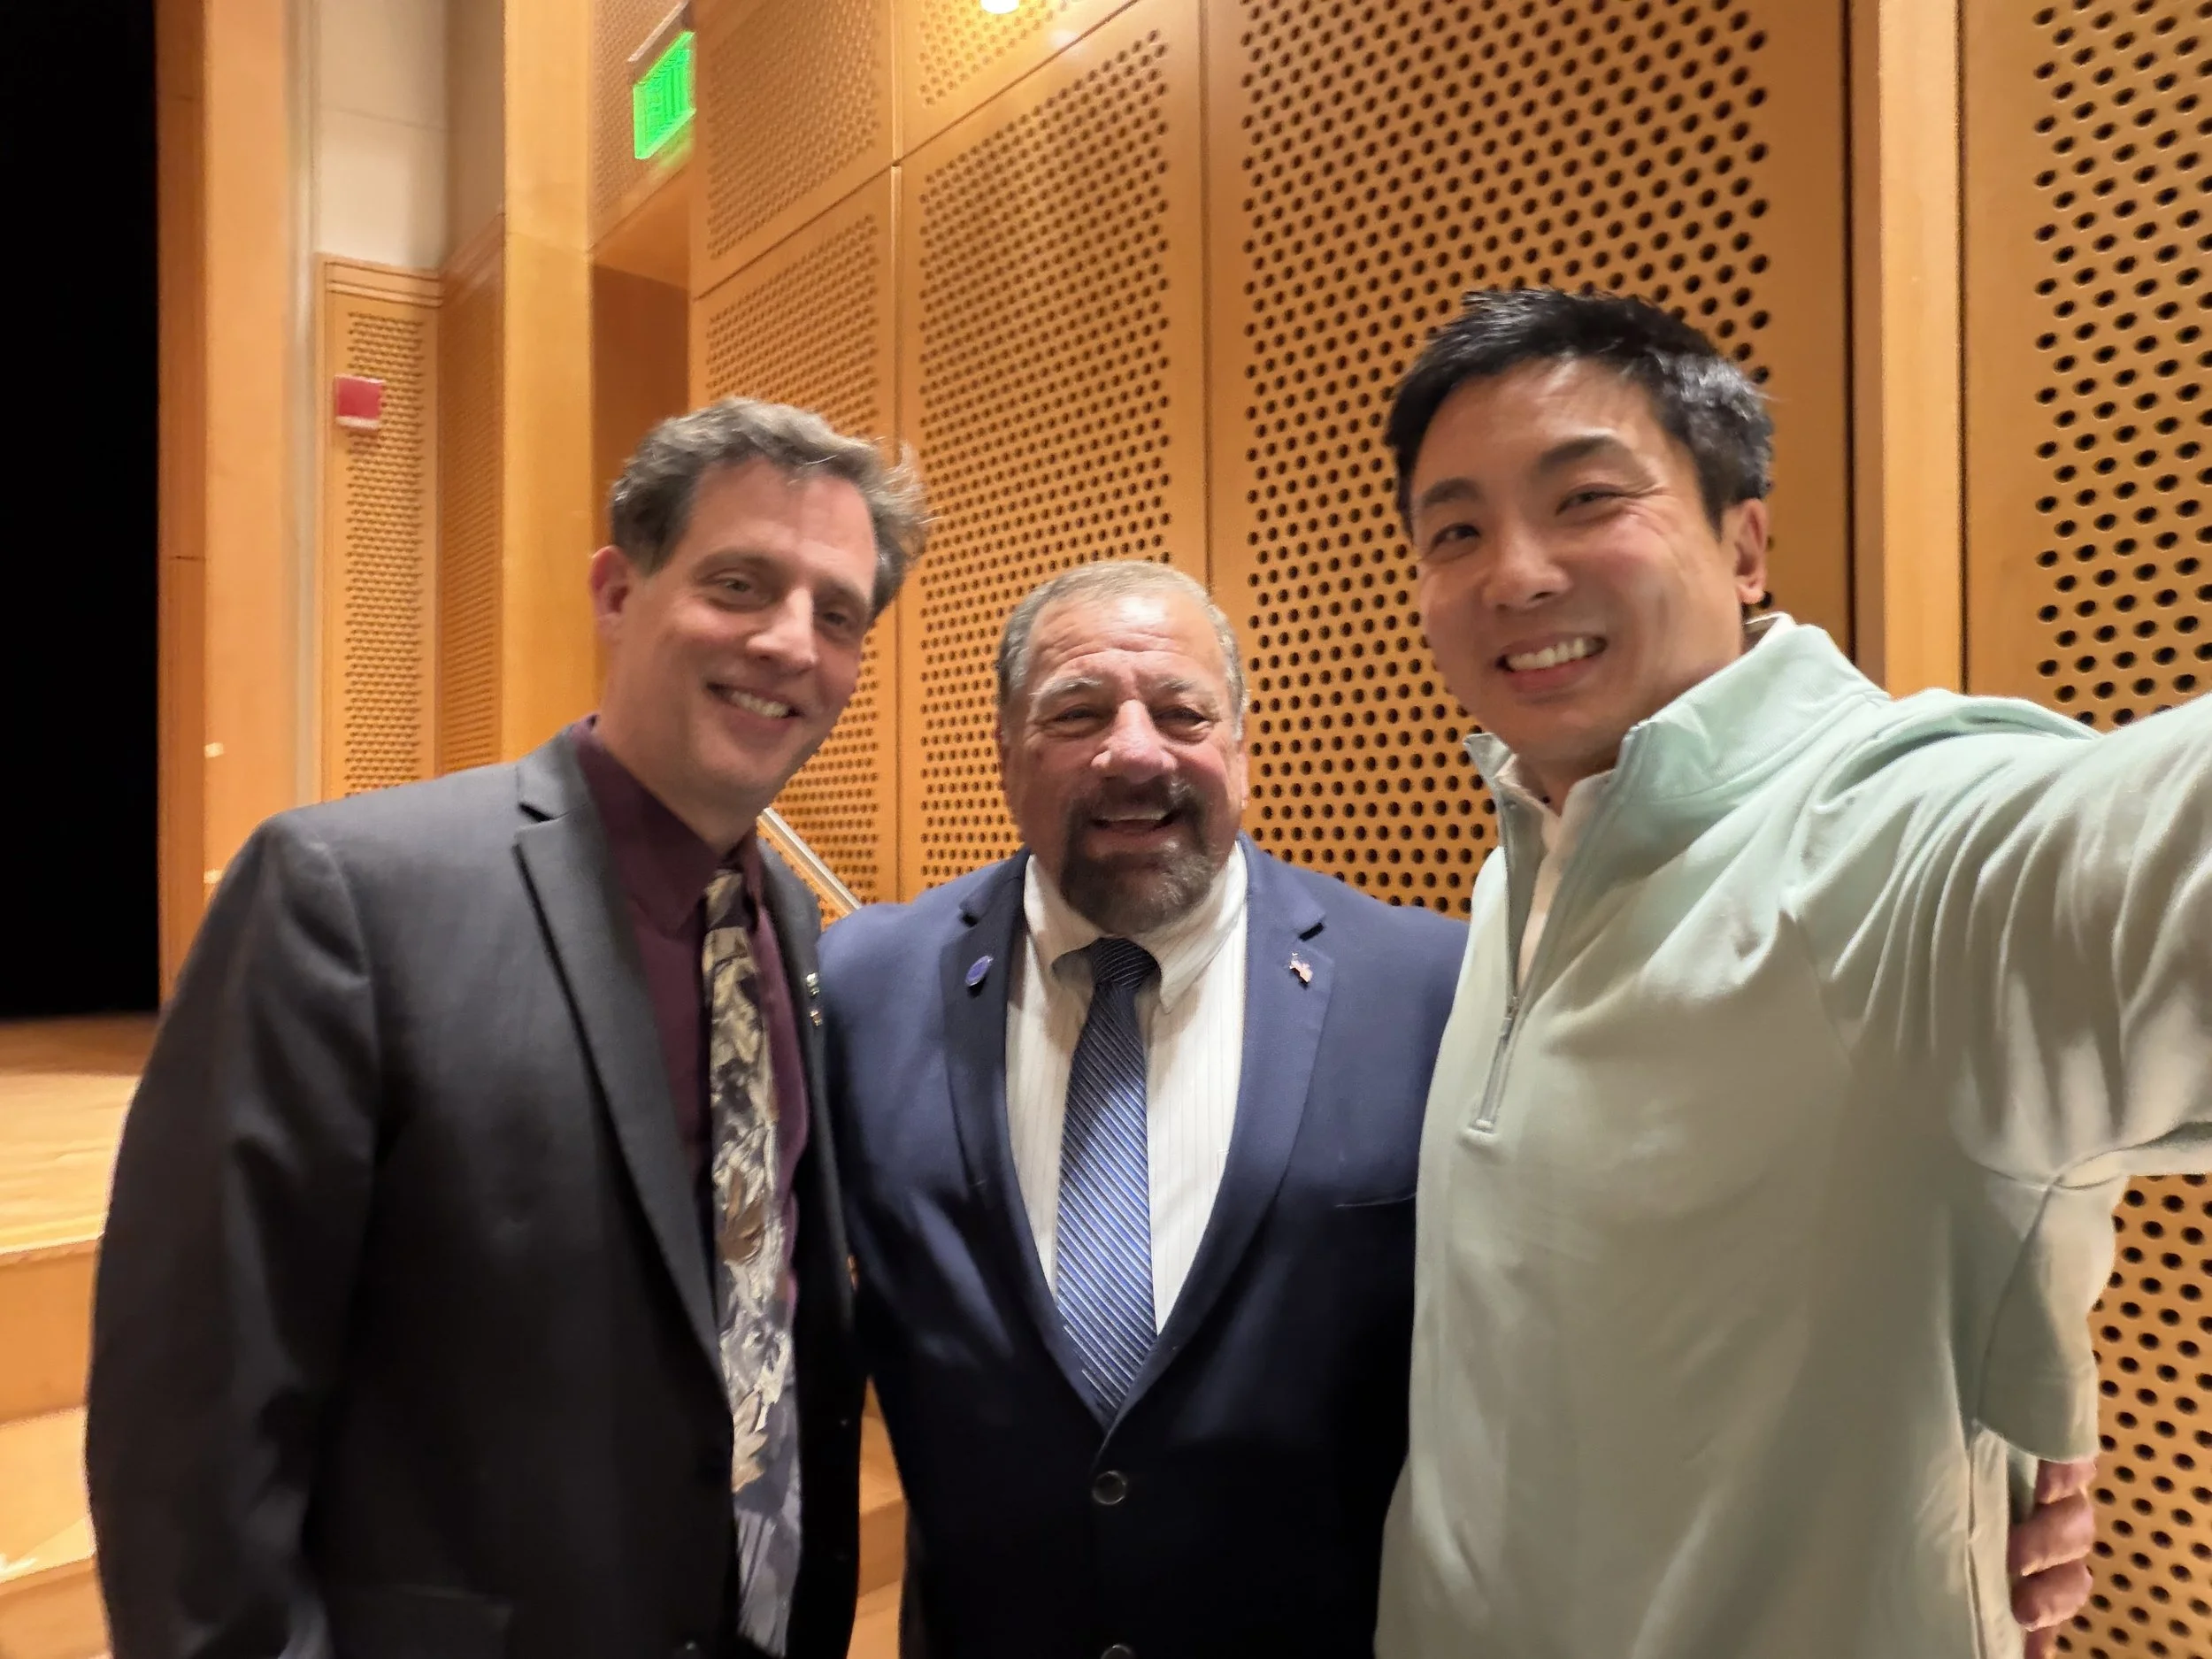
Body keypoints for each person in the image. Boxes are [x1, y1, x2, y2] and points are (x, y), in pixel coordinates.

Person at [1372, 287, 2209, 1658]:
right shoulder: (1516, 863)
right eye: (1454, 530)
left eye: (1587, 499)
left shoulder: (1892, 841)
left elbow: (2139, 852)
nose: (1513, 573)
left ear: (1746, 542)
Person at [87, 400, 926, 1659]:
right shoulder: (347, 894)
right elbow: (193, 1426)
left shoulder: (791, 924)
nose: (788, 641)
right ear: (616, 592)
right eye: (739, 583)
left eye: (838, 613)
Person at [817, 561, 1469, 1658]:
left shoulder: (1425, 988)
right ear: (1006, 752)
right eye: (1076, 714)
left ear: (1240, 747)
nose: (1133, 751)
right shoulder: (864, 984)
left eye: (1181, 712)